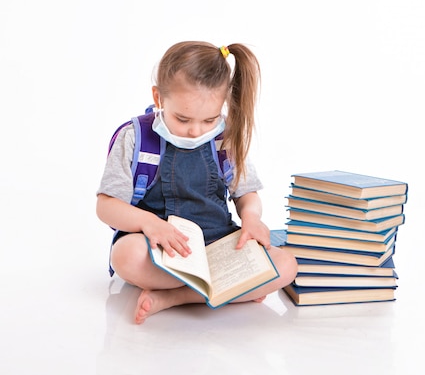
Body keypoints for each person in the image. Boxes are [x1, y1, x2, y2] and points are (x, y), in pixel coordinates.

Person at [96, 41, 297, 324]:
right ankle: (227, 289)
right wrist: (149, 224)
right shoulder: (134, 138)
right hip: (163, 251)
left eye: (209, 120)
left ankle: (175, 296)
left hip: (219, 244)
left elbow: (246, 192)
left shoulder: (225, 137)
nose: (195, 131)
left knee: (286, 266)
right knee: (125, 255)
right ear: (159, 98)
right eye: (183, 118)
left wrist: (251, 218)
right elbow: (106, 206)